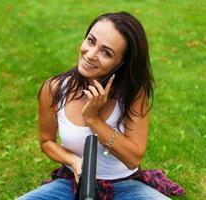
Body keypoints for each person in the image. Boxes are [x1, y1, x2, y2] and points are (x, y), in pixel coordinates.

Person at [18, 11, 184, 200]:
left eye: (106, 52)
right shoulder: (54, 89)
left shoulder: (133, 95)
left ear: (121, 63)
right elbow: (47, 142)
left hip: (125, 186)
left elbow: (133, 158)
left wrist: (93, 119)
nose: (90, 54)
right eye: (91, 41)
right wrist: (73, 162)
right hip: (72, 182)